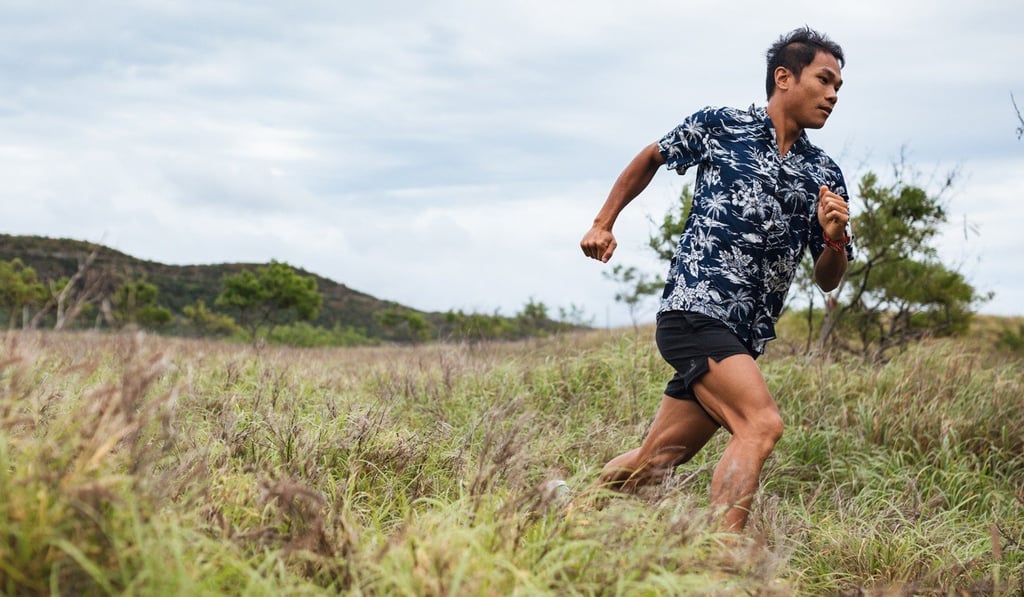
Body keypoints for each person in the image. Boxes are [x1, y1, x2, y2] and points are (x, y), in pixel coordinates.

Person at [579, 26, 853, 532]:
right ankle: (721, 564)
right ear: (784, 77)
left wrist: (833, 238)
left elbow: (828, 279)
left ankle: (565, 515)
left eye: (840, 86)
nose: (834, 95)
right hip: (695, 309)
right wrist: (603, 222)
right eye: (825, 79)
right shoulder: (722, 125)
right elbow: (651, 157)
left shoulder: (825, 174)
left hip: (742, 335)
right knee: (761, 424)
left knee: (655, 460)